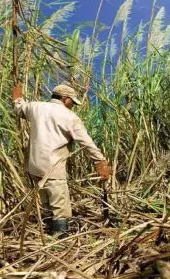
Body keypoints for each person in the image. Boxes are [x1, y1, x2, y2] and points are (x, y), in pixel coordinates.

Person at [11, 83, 111, 234]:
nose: (73, 106)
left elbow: (19, 108)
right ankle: (60, 239)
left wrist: (17, 97)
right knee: (60, 207)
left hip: (34, 166)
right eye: (72, 102)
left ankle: (46, 234)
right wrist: (100, 161)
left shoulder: (35, 107)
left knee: (45, 202)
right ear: (65, 99)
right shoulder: (70, 117)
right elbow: (86, 143)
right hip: (53, 167)